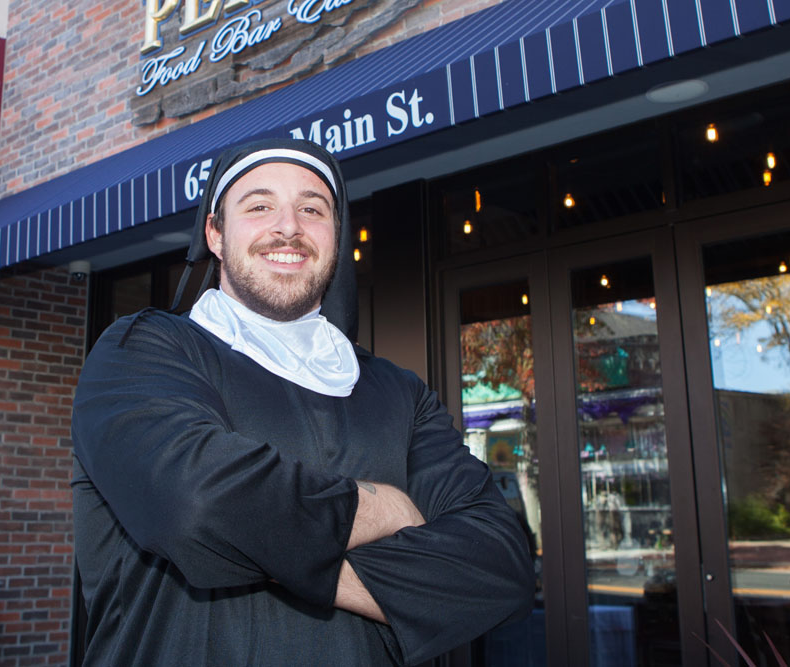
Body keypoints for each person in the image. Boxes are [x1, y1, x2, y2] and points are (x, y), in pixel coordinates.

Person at [70, 138, 534, 665]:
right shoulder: (141, 352)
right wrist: (386, 507)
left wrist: (276, 551)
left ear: (336, 235)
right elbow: (198, 506)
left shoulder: (400, 392)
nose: (288, 227)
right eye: (259, 206)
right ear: (215, 233)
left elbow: (499, 563)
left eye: (312, 209)